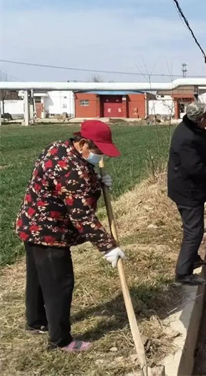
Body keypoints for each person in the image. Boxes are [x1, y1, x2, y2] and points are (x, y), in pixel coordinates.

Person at [15, 120, 125, 352]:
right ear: (83, 143)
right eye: (97, 150)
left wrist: (96, 183)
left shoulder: (59, 147)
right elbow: (81, 215)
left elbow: (70, 184)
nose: (100, 155)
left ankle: (36, 322)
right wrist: (108, 246)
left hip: (31, 223)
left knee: (38, 278)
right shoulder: (71, 169)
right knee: (60, 284)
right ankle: (61, 340)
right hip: (49, 232)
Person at [167, 102, 206, 286]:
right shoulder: (186, 138)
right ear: (200, 119)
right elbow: (194, 168)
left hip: (190, 188)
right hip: (187, 190)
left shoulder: (194, 130)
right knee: (194, 232)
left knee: (192, 227)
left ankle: (193, 258)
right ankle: (183, 274)